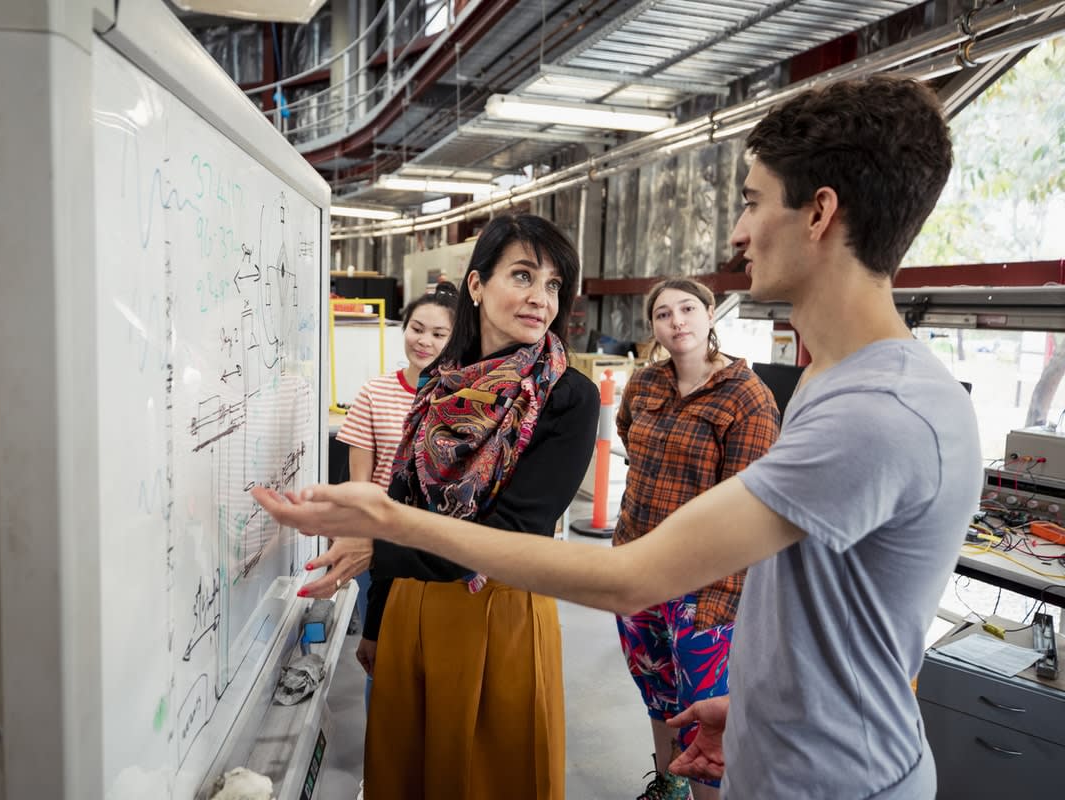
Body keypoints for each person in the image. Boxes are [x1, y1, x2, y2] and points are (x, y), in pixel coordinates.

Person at [254, 75, 982, 798]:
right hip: (790, 754)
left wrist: (383, 521)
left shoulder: (876, 411)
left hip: (838, 783)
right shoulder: (836, 381)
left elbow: (631, 576)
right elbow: (830, 612)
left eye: (754, 202)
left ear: (819, 212)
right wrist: (758, 710)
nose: (736, 232)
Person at [295, 213, 598, 799]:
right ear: (477, 285)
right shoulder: (440, 381)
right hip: (411, 607)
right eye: (523, 275)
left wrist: (375, 550)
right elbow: (401, 496)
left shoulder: (567, 395)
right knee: (410, 773)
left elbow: (515, 532)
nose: (541, 299)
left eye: (555, 285)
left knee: (486, 778)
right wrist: (378, 621)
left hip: (498, 612)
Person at [617, 277, 779, 800]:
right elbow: (627, 434)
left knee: (702, 714)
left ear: (711, 314)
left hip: (703, 586)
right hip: (637, 568)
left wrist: (721, 599)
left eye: (687, 308)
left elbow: (748, 505)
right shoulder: (644, 384)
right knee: (658, 696)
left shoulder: (747, 396)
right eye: (663, 314)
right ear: (654, 327)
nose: (677, 321)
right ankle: (667, 787)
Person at [334, 282, 457, 698]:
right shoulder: (375, 392)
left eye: (439, 334)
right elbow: (359, 486)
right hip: (383, 548)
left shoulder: (464, 397)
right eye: (417, 328)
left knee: (440, 667)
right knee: (383, 663)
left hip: (441, 550)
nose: (424, 341)